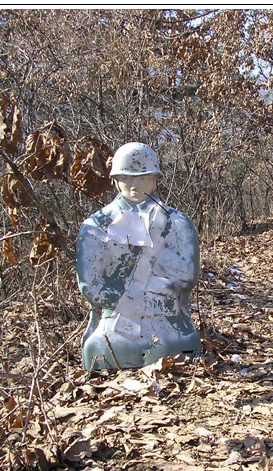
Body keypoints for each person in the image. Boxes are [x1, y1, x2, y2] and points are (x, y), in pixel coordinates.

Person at [76, 142, 201, 370]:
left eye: (143, 178)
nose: (134, 185)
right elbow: (90, 284)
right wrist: (121, 301)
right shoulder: (96, 226)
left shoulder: (177, 223)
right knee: (102, 348)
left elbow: (188, 276)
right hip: (114, 324)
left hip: (168, 320)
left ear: (154, 179)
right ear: (115, 180)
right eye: (127, 178)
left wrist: (159, 253)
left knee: (177, 345)